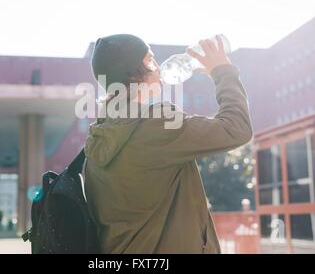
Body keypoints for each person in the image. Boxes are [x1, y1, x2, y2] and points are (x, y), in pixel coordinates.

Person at [84, 33, 253, 253]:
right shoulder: (156, 126)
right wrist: (222, 70)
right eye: (150, 60)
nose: (158, 67)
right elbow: (236, 128)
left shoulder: (98, 137)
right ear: (133, 75)